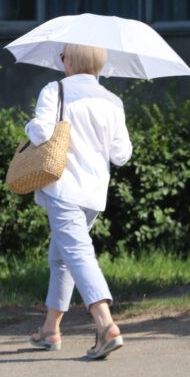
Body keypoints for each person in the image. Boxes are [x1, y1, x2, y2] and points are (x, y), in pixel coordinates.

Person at [25, 43, 133, 360]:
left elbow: (41, 132)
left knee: (77, 253)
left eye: (62, 57)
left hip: (62, 188)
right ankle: (50, 330)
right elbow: (122, 155)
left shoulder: (54, 90)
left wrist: (29, 126)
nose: (61, 62)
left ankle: (106, 324)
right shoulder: (113, 101)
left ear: (69, 60)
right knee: (62, 258)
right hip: (94, 194)